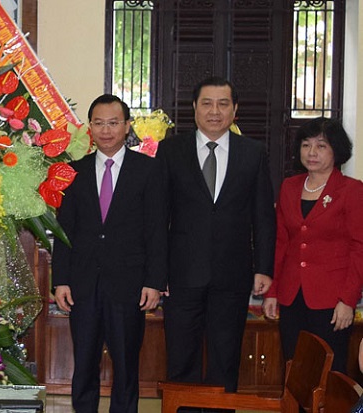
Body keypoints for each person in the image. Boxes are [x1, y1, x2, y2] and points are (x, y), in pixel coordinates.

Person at [157, 76, 276, 399]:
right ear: (194, 108)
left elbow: (263, 215)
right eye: (207, 103)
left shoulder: (253, 153)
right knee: (181, 360)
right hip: (181, 275)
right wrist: (157, 273)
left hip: (232, 274)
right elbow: (157, 217)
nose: (215, 111)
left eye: (223, 104)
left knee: (225, 361)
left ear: (234, 110)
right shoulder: (170, 151)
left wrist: (264, 267)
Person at [51, 94, 166, 413]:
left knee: (127, 366)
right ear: (90, 128)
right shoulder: (75, 171)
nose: (106, 130)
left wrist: (154, 281)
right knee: (84, 364)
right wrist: (60, 279)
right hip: (83, 285)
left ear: (127, 126)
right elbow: (65, 231)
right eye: (99, 123)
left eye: (113, 123)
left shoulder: (148, 170)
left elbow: (157, 230)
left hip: (129, 286)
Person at [263, 117, 363, 373]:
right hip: (292, 294)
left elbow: (359, 247)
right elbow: (281, 242)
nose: (312, 152)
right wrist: (272, 291)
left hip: (332, 299)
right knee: (294, 370)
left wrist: (348, 300)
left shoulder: (351, 190)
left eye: (321, 146)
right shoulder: (289, 187)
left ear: (336, 150)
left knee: (327, 372)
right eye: (306, 145)